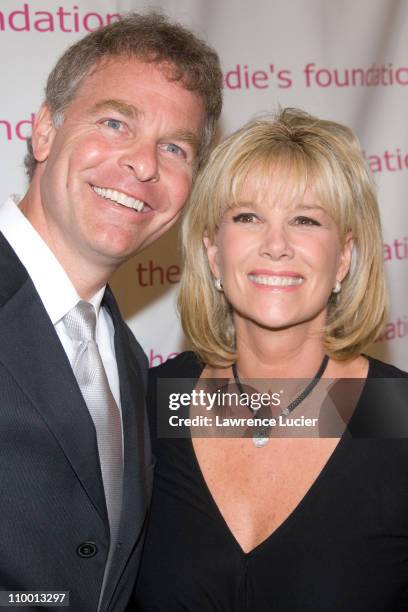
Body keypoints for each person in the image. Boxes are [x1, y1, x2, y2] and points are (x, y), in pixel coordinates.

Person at [134, 109, 408, 611]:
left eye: (305, 220)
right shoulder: (150, 404)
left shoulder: (396, 414)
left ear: (344, 257)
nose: (276, 246)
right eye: (247, 217)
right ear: (213, 253)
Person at [0, 12, 222, 612]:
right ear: (44, 130)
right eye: (116, 121)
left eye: (175, 147)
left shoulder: (124, 356)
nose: (145, 165)